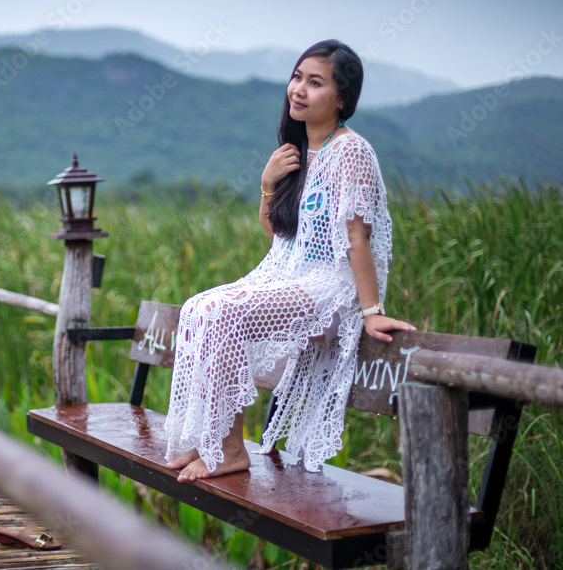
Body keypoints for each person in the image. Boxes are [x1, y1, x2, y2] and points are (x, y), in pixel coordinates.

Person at [163, 39, 416, 481]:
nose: (298, 89)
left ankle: (228, 450)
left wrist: (371, 312)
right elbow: (283, 239)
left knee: (223, 312)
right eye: (297, 77)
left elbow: (356, 236)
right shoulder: (298, 151)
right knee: (198, 307)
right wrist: (267, 184)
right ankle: (208, 439)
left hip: (333, 292)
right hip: (296, 279)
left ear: (342, 98)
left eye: (314, 82)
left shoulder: (351, 152)